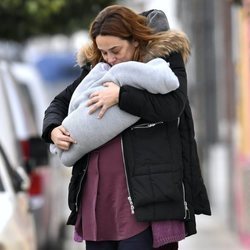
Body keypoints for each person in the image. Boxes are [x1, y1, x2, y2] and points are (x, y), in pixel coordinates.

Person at [42, 5, 211, 250]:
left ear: (135, 40)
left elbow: (173, 105)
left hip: (146, 199)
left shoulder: (162, 60)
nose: (110, 59)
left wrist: (121, 96)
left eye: (115, 50)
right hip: (98, 199)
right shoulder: (98, 67)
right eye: (103, 52)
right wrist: (53, 130)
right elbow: (60, 102)